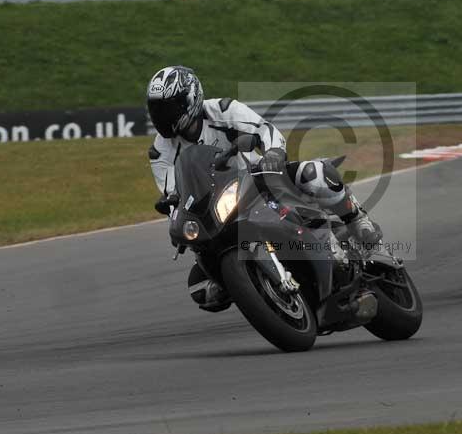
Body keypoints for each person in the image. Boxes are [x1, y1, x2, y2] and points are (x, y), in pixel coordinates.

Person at [146, 66, 381, 312]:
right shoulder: (159, 151)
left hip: (258, 181)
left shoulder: (223, 110)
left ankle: (357, 219)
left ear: (191, 99)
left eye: (168, 109)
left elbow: (264, 129)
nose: (162, 116)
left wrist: (273, 152)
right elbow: (173, 194)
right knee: (201, 287)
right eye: (156, 110)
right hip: (217, 211)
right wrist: (177, 218)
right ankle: (259, 287)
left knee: (314, 174)